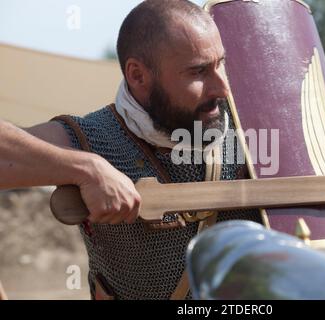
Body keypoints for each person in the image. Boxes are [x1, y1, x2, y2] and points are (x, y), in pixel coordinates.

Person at [23, 0, 262, 300]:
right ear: (137, 76)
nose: (221, 88)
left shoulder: (253, 127)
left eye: (220, 64)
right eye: (199, 71)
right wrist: (85, 168)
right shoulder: (93, 140)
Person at [0, 119, 141, 224]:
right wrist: (89, 168)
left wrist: (164, 219)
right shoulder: (85, 135)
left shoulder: (165, 218)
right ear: (138, 77)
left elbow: (164, 220)